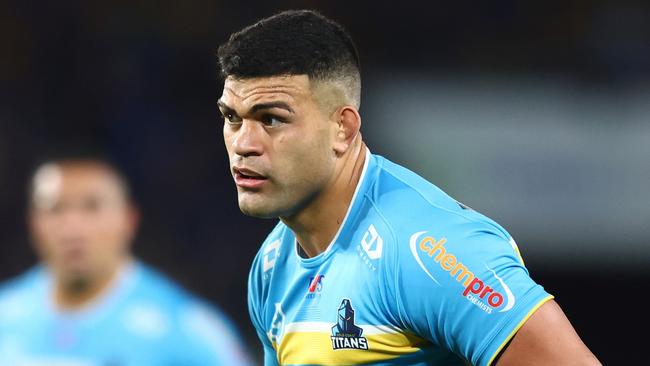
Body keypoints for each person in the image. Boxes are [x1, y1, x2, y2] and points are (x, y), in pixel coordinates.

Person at [217, 9, 601, 366]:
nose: (243, 143)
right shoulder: (271, 265)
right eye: (232, 118)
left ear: (343, 129)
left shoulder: (426, 249)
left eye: (271, 119)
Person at [0, 155, 253, 365]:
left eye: (92, 207)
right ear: (33, 223)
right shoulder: (5, 315)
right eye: (55, 209)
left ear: (128, 220)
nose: (72, 228)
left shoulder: (184, 328)